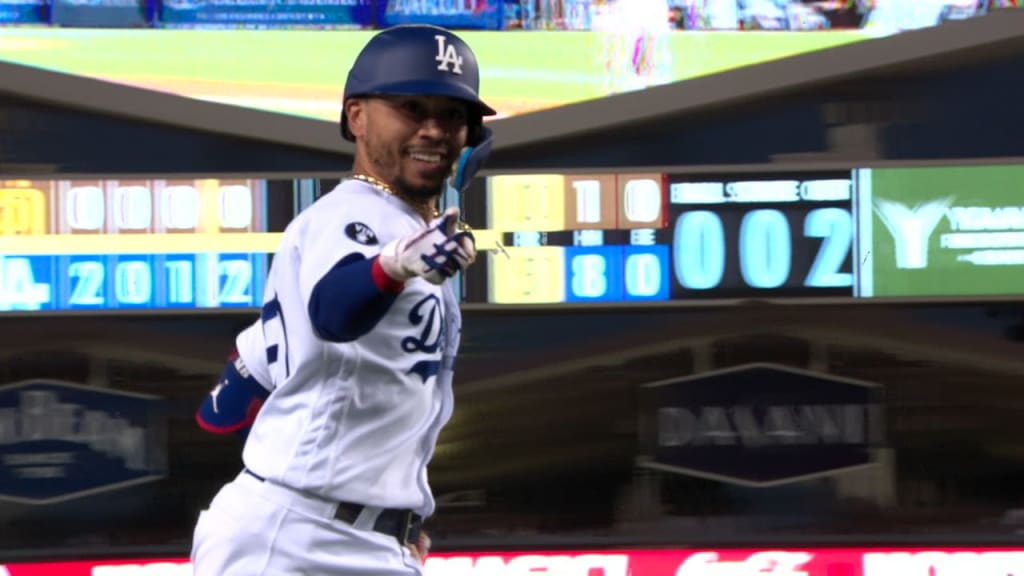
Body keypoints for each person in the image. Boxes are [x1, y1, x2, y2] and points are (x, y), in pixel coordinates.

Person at [189, 23, 495, 576]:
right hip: (293, 540)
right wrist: (393, 264)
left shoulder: (399, 227)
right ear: (357, 117)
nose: (434, 129)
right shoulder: (356, 216)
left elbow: (221, 411)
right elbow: (334, 311)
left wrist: (387, 508)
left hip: (350, 536)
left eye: (452, 115)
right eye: (410, 107)